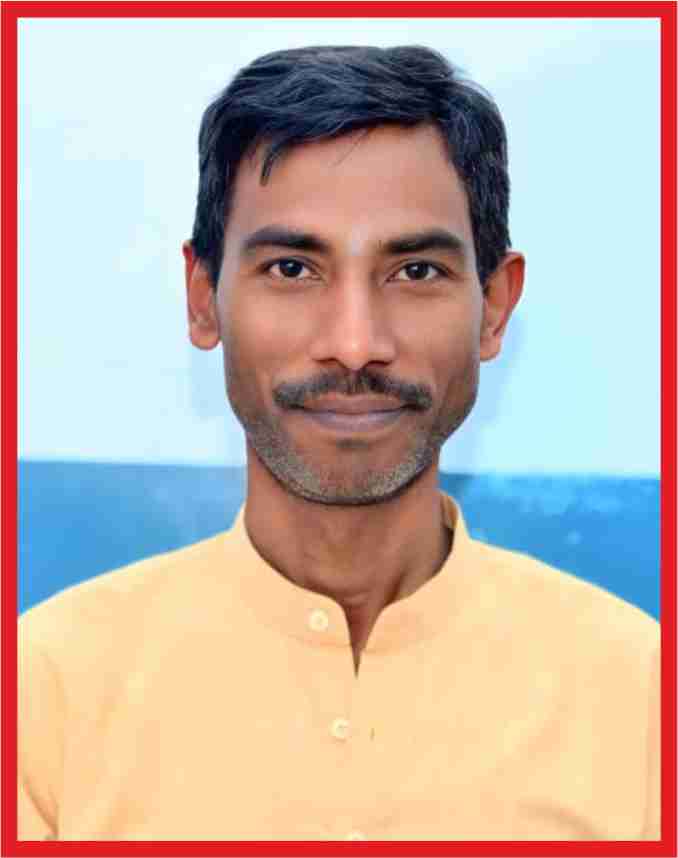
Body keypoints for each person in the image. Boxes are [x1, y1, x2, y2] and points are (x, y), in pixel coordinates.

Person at [19, 45, 660, 842]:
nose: (355, 344)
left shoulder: (642, 698)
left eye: (415, 272)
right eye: (292, 268)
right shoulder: (43, 693)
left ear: (494, 307)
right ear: (203, 299)